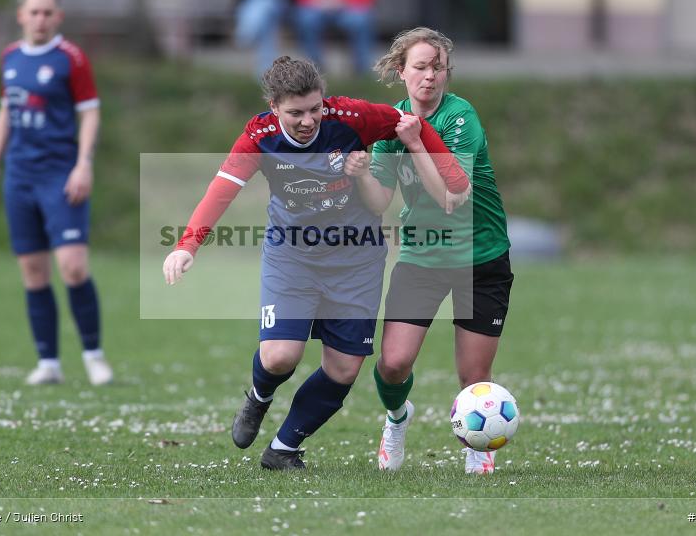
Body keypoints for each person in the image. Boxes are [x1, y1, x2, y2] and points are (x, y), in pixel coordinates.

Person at [163, 55, 470, 471]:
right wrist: (187, 246)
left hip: (357, 259)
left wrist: (451, 175)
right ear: (274, 107)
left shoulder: (353, 116)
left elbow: (412, 126)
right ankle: (259, 396)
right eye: (296, 113)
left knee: (343, 368)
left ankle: (284, 448)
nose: (308, 120)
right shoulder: (260, 136)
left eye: (314, 108)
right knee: (278, 357)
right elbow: (221, 191)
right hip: (292, 255)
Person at [345, 27, 512, 474]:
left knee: (472, 378)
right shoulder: (388, 126)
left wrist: (416, 141)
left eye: (438, 68)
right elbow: (380, 201)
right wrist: (360, 172)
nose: (430, 76)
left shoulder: (461, 118)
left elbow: (451, 196)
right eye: (420, 67)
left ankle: (479, 445)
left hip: (481, 256)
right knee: (393, 364)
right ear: (401, 71)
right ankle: (397, 419)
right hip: (423, 254)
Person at [0, 0, 113, 387]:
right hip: (20, 176)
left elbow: (89, 113)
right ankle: (48, 362)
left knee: (72, 267)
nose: (40, 19)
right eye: (33, 12)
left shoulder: (71, 58)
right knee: (34, 273)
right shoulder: (10, 58)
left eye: (47, 12)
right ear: (21, 16)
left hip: (59, 174)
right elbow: (6, 113)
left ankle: (93, 355)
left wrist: (83, 164)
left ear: (58, 17)